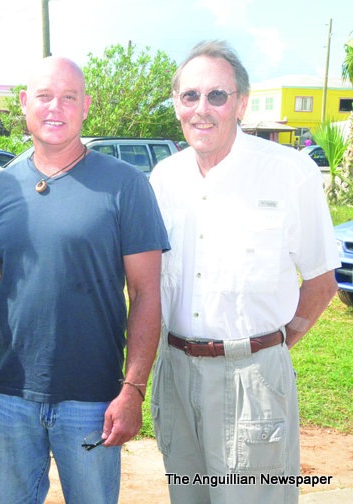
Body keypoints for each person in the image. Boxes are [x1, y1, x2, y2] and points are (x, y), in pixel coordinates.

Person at [0, 56, 169, 504]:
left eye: (69, 97)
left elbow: (146, 292)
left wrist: (132, 389)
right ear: (24, 104)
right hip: (9, 396)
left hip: (93, 400)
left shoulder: (126, 184)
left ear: (85, 105)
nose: (55, 107)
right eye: (44, 96)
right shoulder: (0, 188)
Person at [148, 40, 339, 504]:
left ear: (242, 103)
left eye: (217, 95)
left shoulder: (289, 172)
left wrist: (270, 348)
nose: (202, 108)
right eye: (190, 96)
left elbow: (321, 280)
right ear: (177, 104)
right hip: (174, 375)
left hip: (253, 379)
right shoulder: (163, 179)